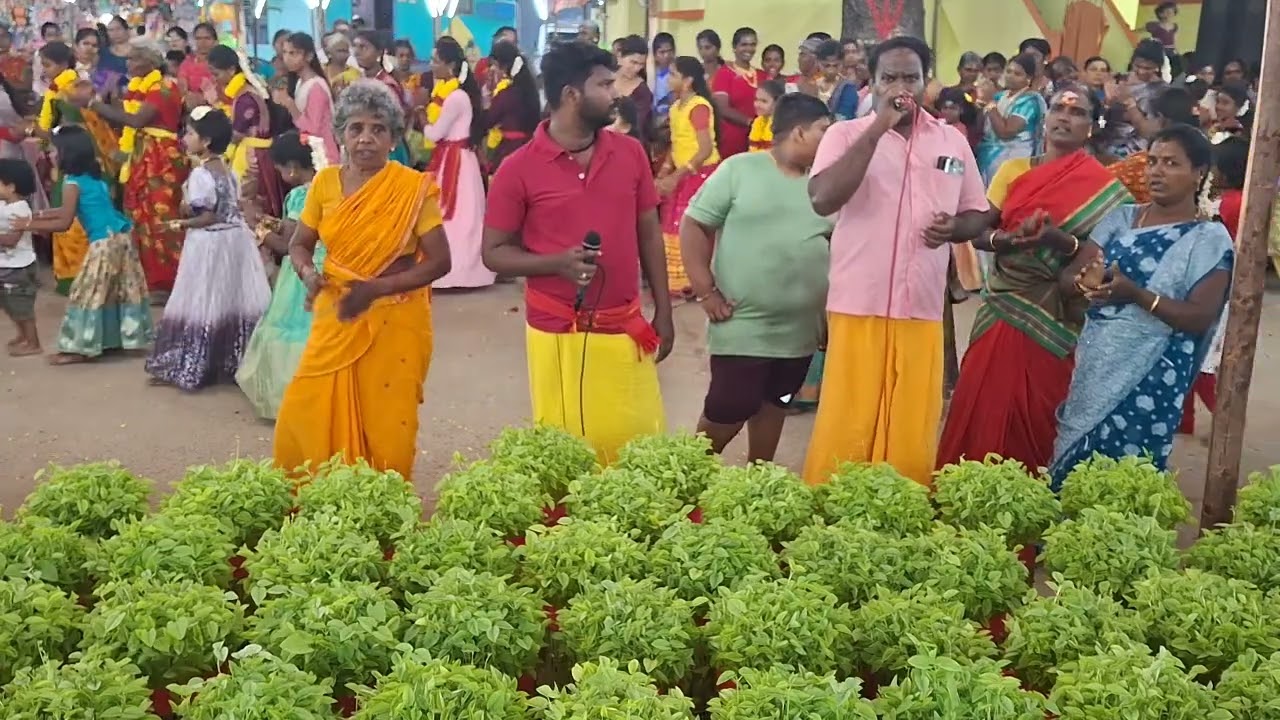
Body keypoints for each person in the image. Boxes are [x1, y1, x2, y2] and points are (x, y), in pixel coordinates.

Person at [805, 36, 989, 487]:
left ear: (927, 82)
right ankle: (831, 515)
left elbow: (977, 213)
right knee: (849, 420)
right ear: (874, 81)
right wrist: (877, 129)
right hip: (857, 302)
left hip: (920, 305)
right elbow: (823, 199)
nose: (900, 87)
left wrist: (957, 229)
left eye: (911, 77)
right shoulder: (843, 134)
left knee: (910, 422)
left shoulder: (951, 141)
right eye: (890, 78)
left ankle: (901, 514)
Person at [482, 40, 674, 464]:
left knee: (637, 449)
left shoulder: (630, 153)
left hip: (625, 324)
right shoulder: (517, 168)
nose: (616, 93)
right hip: (556, 331)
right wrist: (556, 264)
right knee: (568, 455)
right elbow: (494, 253)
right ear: (572, 95)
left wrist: (664, 310)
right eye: (605, 85)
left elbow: (648, 233)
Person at [937, 87, 1131, 471]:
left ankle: (1032, 498)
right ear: (1046, 117)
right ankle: (968, 494)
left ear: (1090, 127)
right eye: (1058, 107)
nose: (1064, 117)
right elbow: (978, 229)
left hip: (1056, 313)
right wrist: (1005, 240)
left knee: (1040, 407)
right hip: (1003, 303)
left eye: (1077, 113)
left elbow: (1104, 259)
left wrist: (1058, 240)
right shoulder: (1013, 171)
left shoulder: (1107, 191)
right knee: (983, 397)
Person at [274, 80, 452, 480]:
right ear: (339, 136)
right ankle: (321, 501)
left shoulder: (411, 189)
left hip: (395, 318)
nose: (366, 139)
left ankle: (380, 507)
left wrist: (377, 289)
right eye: (356, 128)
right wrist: (308, 274)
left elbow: (441, 262)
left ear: (393, 138)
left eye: (378, 129)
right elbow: (300, 244)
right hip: (336, 311)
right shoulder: (324, 184)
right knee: (305, 406)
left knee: (386, 422)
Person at [1050, 125, 1232, 482]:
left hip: (1152, 378)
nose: (1156, 172)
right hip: (1097, 365)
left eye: (1171, 163)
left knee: (1128, 483)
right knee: (1071, 474)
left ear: (1198, 174)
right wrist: (1084, 283)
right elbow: (1070, 277)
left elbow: (1199, 316)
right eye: (1152, 162)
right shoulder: (1122, 218)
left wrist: (1135, 294)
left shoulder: (1209, 238)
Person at [680, 93, 833, 461]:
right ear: (799, 132)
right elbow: (695, 224)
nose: (831, 140)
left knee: (776, 401)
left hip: (799, 333)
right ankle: (684, 477)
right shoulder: (740, 170)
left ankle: (759, 475)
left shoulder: (828, 186)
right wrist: (705, 291)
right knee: (729, 406)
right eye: (823, 131)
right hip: (742, 323)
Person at [145, 107, 270, 390]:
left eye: (190, 133)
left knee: (201, 301)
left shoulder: (202, 174)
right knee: (229, 301)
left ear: (207, 141)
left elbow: (208, 216)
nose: (184, 138)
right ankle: (231, 360)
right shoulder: (226, 168)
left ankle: (194, 364)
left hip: (210, 244)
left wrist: (178, 223)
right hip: (235, 241)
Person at [15, 127, 151, 365]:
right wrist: (37, 215)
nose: (51, 155)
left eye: (55, 150)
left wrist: (27, 224)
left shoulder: (72, 182)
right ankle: (116, 340)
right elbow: (71, 210)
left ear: (68, 153)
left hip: (104, 242)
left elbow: (65, 222)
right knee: (115, 291)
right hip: (121, 238)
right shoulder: (93, 178)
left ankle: (79, 347)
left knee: (86, 293)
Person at [69, 38, 187, 301]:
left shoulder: (163, 88)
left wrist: (93, 105)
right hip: (143, 155)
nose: (129, 63)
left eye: (134, 58)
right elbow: (125, 114)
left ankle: (170, 282)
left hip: (162, 159)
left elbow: (135, 119)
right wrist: (105, 99)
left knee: (161, 218)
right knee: (141, 216)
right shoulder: (139, 88)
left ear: (150, 61)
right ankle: (152, 280)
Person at [236, 133, 328, 418]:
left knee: (294, 335)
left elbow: (288, 245)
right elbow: (293, 228)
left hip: (300, 274)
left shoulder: (302, 195)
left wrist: (255, 224)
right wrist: (267, 220)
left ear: (291, 168)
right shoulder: (327, 188)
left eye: (278, 170)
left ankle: (294, 401)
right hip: (323, 268)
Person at [1179, 136, 1246, 437]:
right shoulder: (1243, 200)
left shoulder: (1227, 204)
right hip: (1229, 285)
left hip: (1218, 286)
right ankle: (1186, 421)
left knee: (1204, 361)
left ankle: (1224, 422)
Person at [29, 42, 101, 295]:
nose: (45, 70)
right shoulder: (61, 86)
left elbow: (71, 124)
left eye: (47, 65)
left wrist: (35, 131)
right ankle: (71, 273)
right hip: (66, 155)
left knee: (73, 212)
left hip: (74, 155)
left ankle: (78, 274)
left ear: (62, 64)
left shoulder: (70, 87)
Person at [423, 36, 492, 290]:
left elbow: (435, 134)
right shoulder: (462, 95)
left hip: (454, 162)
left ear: (449, 65)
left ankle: (455, 273)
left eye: (435, 61)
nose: (431, 65)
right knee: (467, 217)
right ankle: (467, 272)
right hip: (462, 161)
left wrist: (422, 119)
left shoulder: (454, 98)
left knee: (454, 216)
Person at [659, 56, 720, 298]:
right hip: (683, 171)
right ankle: (677, 281)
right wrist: (665, 170)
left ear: (687, 81)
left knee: (691, 226)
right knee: (671, 222)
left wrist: (679, 174)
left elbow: (704, 149)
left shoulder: (699, 107)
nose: (668, 79)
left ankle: (695, 282)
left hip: (701, 172)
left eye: (673, 74)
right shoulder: (675, 108)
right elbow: (677, 143)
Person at [207, 45, 285, 219]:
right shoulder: (244, 92)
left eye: (216, 74)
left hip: (253, 156)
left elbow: (236, 135)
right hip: (257, 151)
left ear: (231, 70)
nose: (215, 79)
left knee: (251, 203)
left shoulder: (245, 98)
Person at [1106, 86, 1198, 202]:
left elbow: (1100, 180)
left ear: (1161, 119)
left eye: (1149, 117)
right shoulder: (1200, 159)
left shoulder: (1140, 164)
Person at [976, 53, 1046, 183]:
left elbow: (1006, 132)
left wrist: (990, 103)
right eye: (1008, 71)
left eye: (1017, 74)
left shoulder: (1029, 102)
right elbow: (982, 127)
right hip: (988, 157)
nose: (1011, 76)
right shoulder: (1000, 96)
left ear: (1029, 78)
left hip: (1014, 161)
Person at [272, 32, 339, 164]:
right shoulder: (299, 82)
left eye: (293, 53)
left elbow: (313, 128)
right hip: (310, 152)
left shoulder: (316, 86)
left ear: (308, 56)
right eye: (285, 52)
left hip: (324, 155)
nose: (287, 58)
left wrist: (291, 106)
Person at [1099, 39, 1168, 160]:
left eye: (1147, 68)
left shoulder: (1161, 91)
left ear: (1158, 67)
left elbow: (1149, 133)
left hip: (1134, 152)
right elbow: (1100, 119)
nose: (1141, 71)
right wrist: (1106, 103)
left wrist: (1129, 103)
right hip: (1104, 144)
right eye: (1137, 66)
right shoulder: (1117, 80)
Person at [352, 30, 411, 165]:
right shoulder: (361, 81)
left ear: (379, 53)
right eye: (355, 46)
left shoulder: (386, 85)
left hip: (387, 150)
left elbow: (394, 123)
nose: (357, 52)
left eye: (363, 47)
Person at [482, 41, 539, 175]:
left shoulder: (507, 94)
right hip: (529, 148)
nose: (492, 69)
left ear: (504, 66)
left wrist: (486, 97)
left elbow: (488, 120)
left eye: (495, 65)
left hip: (509, 149)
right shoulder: (529, 89)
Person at [0, 158, 37, 356]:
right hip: (7, 265)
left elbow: (12, 240)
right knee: (9, 304)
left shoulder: (20, 209)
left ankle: (33, 342)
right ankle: (23, 335)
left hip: (19, 266)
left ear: (11, 187)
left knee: (22, 306)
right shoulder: (4, 204)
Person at [711, 28, 766, 158]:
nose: (749, 49)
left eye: (752, 44)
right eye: (744, 44)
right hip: (733, 139)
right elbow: (722, 108)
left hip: (760, 139)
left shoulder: (762, 75)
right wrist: (751, 123)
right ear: (735, 47)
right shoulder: (724, 73)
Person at [614, 35, 653, 145]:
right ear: (620, 57)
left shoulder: (642, 92)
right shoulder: (606, 80)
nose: (637, 68)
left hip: (629, 145)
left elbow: (638, 125)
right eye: (633, 62)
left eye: (641, 64)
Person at [814, 39, 858, 121]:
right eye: (826, 65)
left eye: (835, 66)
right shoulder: (813, 84)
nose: (831, 71)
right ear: (818, 62)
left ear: (842, 63)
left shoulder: (848, 87)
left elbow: (844, 116)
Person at [178, 23, 217, 109]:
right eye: (198, 38)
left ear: (215, 41)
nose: (202, 42)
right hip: (192, 108)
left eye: (207, 38)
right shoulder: (187, 63)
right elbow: (182, 90)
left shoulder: (221, 62)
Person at [748, 80, 784, 152]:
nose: (757, 104)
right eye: (756, 99)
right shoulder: (758, 121)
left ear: (777, 102)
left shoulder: (783, 125)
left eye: (764, 101)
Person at [651, 33, 676, 120]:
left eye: (670, 51)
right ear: (655, 55)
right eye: (662, 52)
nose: (667, 56)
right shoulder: (650, 75)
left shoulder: (677, 74)